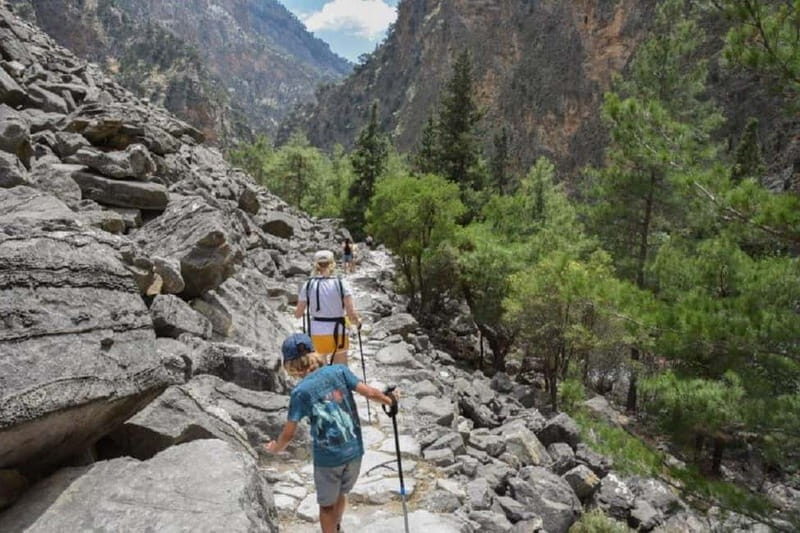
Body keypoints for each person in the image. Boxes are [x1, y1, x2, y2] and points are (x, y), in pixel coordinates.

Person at [265, 334, 397, 533]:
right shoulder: (340, 371)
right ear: (313, 352)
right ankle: (337, 527)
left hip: (328, 459)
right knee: (341, 493)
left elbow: (289, 433)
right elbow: (369, 393)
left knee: (327, 507)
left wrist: (276, 448)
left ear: (290, 364)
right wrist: (391, 401)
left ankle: (332, 529)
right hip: (354, 451)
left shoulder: (300, 392)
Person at [295, 250, 360, 365]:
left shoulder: (309, 284)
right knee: (340, 370)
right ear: (333, 263)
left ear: (316, 265)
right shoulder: (341, 283)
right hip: (339, 331)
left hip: (317, 332)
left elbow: (298, 314)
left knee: (322, 371)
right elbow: (351, 313)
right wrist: (357, 322)